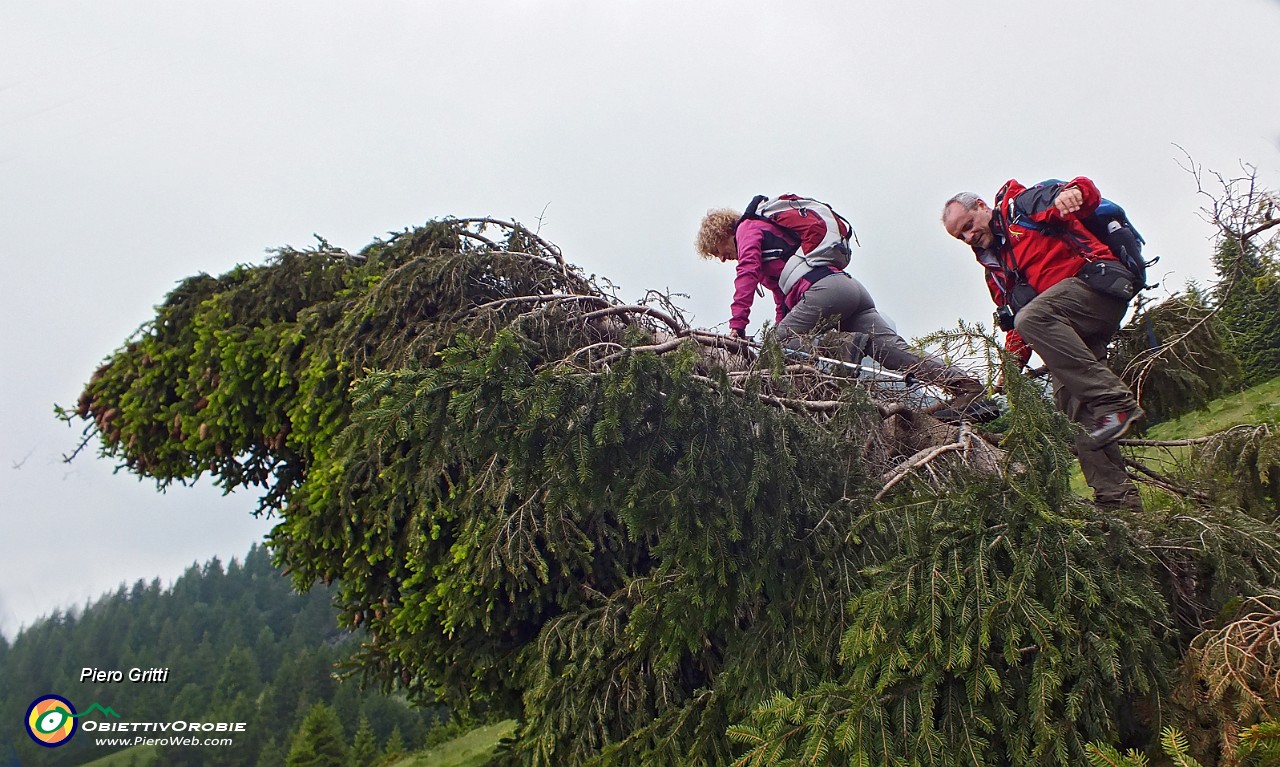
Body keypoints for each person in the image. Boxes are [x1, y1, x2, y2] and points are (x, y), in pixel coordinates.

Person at [941, 177, 1145, 510]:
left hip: (1099, 286)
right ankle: (1118, 502)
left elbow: (1085, 195)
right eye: (959, 236)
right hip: (1068, 325)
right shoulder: (996, 267)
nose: (968, 237)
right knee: (1071, 404)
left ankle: (1115, 400)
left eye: (968, 226)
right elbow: (1021, 322)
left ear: (981, 206)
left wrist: (1074, 194)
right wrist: (1010, 369)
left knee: (1034, 318)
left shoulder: (1022, 206)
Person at [695, 201, 983, 409]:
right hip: (850, 289)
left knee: (774, 348)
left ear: (722, 234)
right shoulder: (775, 246)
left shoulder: (748, 228)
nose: (722, 258)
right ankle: (964, 387)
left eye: (718, 251)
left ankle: (843, 349)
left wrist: (737, 327)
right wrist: (782, 327)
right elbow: (783, 303)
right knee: (892, 350)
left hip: (826, 292)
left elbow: (745, 273)